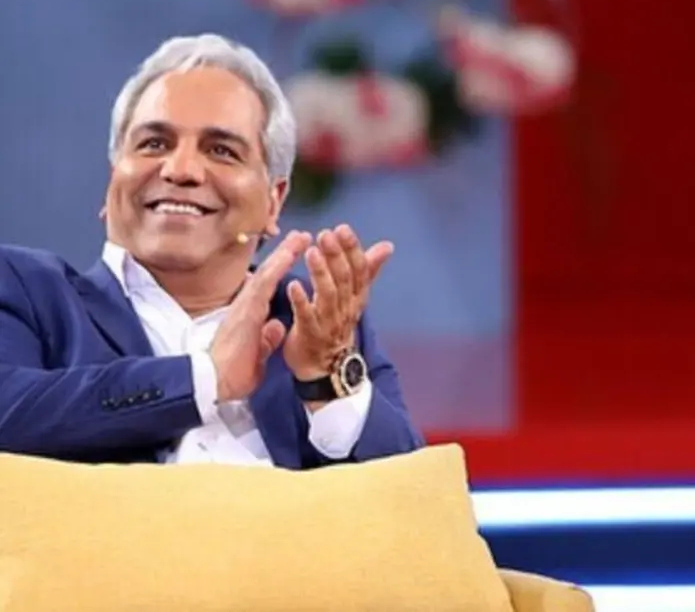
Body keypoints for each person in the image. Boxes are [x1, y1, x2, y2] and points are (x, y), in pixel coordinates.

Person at [0, 33, 423, 468]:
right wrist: (205, 379)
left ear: (273, 201)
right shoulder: (28, 292)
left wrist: (325, 384)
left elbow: (413, 494)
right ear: (113, 182)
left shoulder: (314, 321)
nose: (181, 170)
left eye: (221, 151)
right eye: (154, 143)